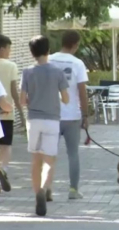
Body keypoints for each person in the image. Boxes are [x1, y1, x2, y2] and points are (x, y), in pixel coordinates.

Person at [20, 36, 69, 216]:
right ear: (48, 50)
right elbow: (66, 98)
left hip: (34, 119)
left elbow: (22, 100)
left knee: (36, 159)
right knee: (49, 159)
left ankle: (37, 193)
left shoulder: (27, 72)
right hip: (52, 120)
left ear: (32, 53)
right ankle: (46, 187)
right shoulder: (58, 72)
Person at [49, 30, 89, 200]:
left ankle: (46, 188)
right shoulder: (77, 63)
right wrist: (85, 115)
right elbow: (82, 91)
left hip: (51, 114)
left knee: (49, 153)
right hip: (72, 114)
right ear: (74, 44)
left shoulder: (49, 60)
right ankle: (73, 189)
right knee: (73, 153)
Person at [0, 35, 25, 193]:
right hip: (6, 113)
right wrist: (21, 113)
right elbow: (15, 92)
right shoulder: (11, 66)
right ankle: (4, 170)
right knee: (6, 145)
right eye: (9, 48)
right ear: (2, 49)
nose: (10, 52)